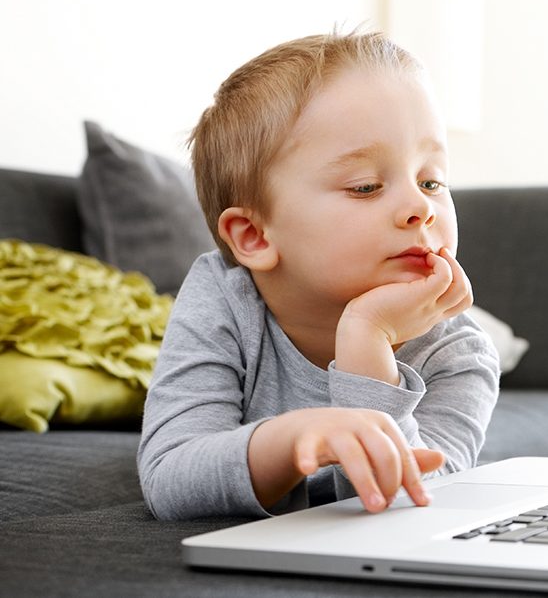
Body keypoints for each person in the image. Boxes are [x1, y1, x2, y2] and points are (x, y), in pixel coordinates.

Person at [136, 31, 500, 521]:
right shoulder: (224, 298)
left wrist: (367, 340)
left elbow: (410, 507)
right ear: (254, 236)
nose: (420, 206)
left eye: (431, 180)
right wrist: (293, 441)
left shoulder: (458, 353)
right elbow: (169, 481)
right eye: (366, 186)